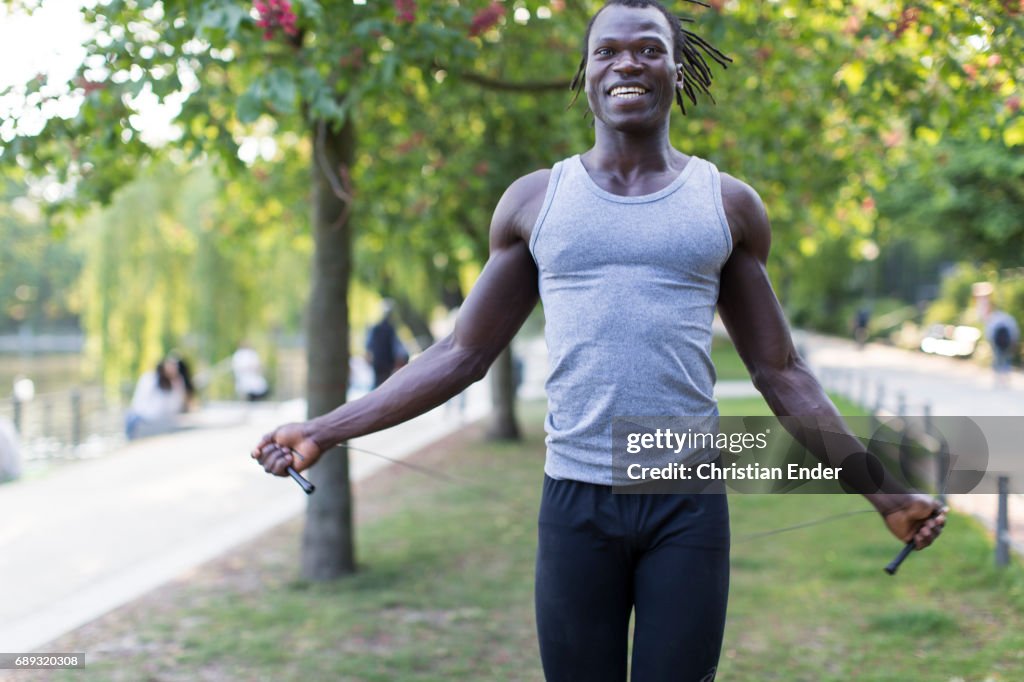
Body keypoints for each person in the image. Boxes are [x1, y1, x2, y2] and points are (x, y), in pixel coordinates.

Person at [253, 2, 946, 679]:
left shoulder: (726, 205)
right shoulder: (534, 203)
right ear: (584, 72)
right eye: (608, 50)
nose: (628, 63)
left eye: (649, 48)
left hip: (687, 503)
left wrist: (887, 497)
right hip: (574, 502)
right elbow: (460, 355)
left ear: (678, 71)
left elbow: (781, 373)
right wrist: (326, 428)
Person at [124, 357, 188, 439]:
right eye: (170, 365)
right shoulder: (150, 378)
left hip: (160, 420)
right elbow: (139, 403)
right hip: (143, 416)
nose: (173, 369)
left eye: (175, 367)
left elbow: (175, 407)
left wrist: (176, 383)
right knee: (131, 417)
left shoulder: (176, 383)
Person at [364, 301, 409, 389]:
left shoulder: (375, 329)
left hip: (378, 363)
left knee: (378, 386)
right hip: (387, 364)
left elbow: (368, 347)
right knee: (386, 387)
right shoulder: (390, 329)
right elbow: (397, 348)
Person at [985, 306, 1019, 387]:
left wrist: (991, 344)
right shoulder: (1008, 318)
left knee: (997, 361)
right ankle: (1006, 378)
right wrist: (1013, 343)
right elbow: (1014, 331)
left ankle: (997, 379)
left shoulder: (993, 319)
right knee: (1007, 360)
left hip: (997, 344)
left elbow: (989, 333)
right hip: (1007, 343)